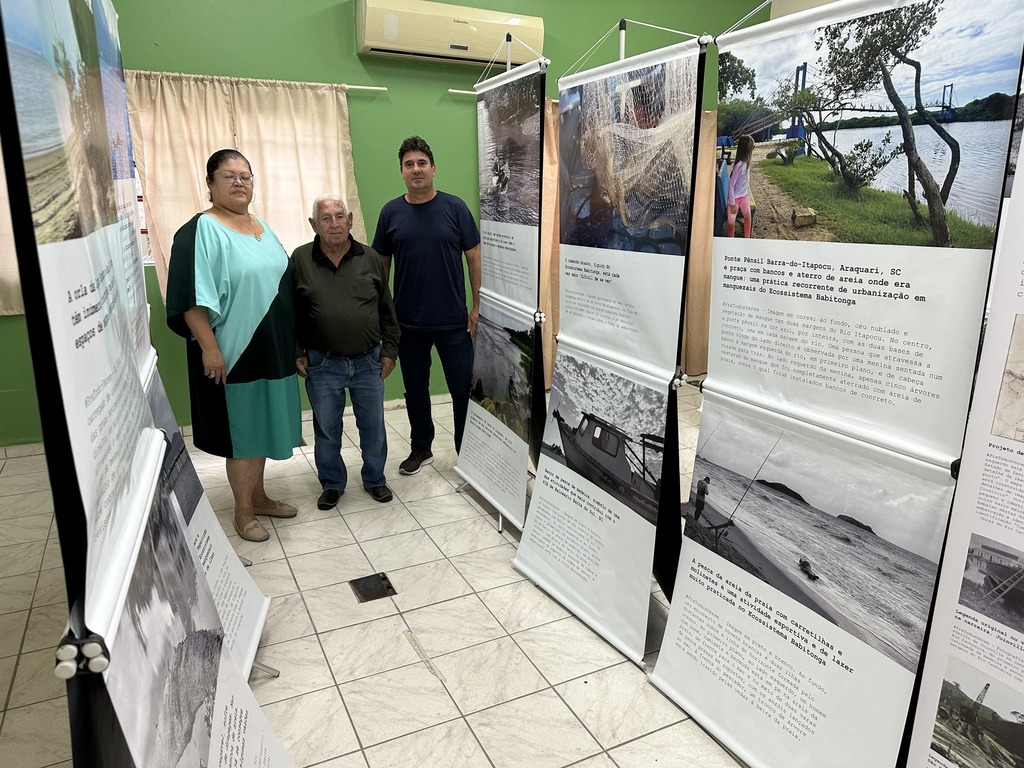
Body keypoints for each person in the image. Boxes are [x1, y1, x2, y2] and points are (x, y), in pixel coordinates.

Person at [166, 149, 302, 542]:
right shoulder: (199, 231)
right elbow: (190, 300)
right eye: (228, 176)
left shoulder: (260, 225)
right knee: (242, 434)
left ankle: (259, 496)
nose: (239, 182)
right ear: (210, 184)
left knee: (261, 426)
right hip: (232, 351)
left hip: (270, 348)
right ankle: (243, 512)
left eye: (246, 175)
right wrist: (210, 349)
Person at [372, 136, 481, 474]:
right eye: (409, 165)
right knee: (414, 391)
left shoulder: (455, 207)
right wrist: (383, 314)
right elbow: (381, 265)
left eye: (421, 163)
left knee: (463, 390)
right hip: (409, 323)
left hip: (453, 322)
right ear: (402, 172)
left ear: (433, 169)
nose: (416, 169)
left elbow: (474, 258)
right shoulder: (391, 212)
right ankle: (421, 449)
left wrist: (477, 306)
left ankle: (470, 455)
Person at [292, 194, 399, 509]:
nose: (334, 223)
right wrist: (297, 350)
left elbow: (386, 311)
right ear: (314, 224)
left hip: (368, 360)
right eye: (326, 218)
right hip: (322, 363)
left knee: (374, 426)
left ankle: (375, 480)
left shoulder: (370, 259)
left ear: (350, 220)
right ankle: (333, 483)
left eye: (340, 216)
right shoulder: (299, 260)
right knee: (327, 428)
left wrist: (389, 350)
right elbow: (292, 313)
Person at [726, 134, 754, 238]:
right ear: (746, 150)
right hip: (735, 198)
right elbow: (731, 186)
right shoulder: (739, 166)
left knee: (748, 216)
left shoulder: (748, 163)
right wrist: (732, 203)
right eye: (751, 148)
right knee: (730, 223)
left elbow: (746, 181)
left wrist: (746, 193)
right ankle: (731, 241)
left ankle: (747, 237)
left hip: (744, 196)